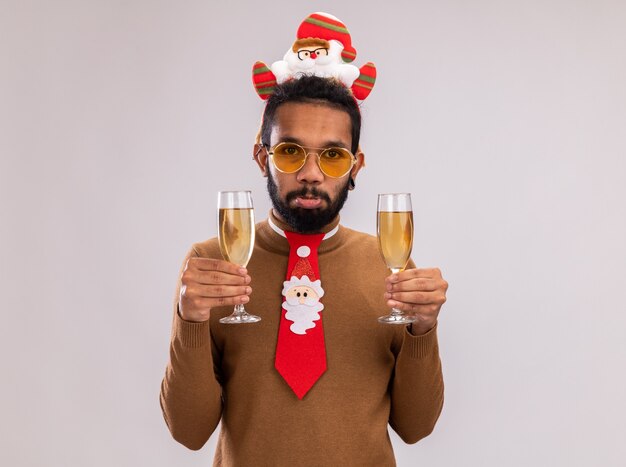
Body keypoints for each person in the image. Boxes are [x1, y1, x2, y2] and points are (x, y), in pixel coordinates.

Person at [160, 74, 448, 466]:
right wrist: (189, 319)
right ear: (263, 158)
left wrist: (424, 329)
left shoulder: (389, 266)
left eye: (332, 156)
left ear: (355, 166)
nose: (312, 174)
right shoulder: (211, 267)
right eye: (291, 152)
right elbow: (188, 431)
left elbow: (416, 427)